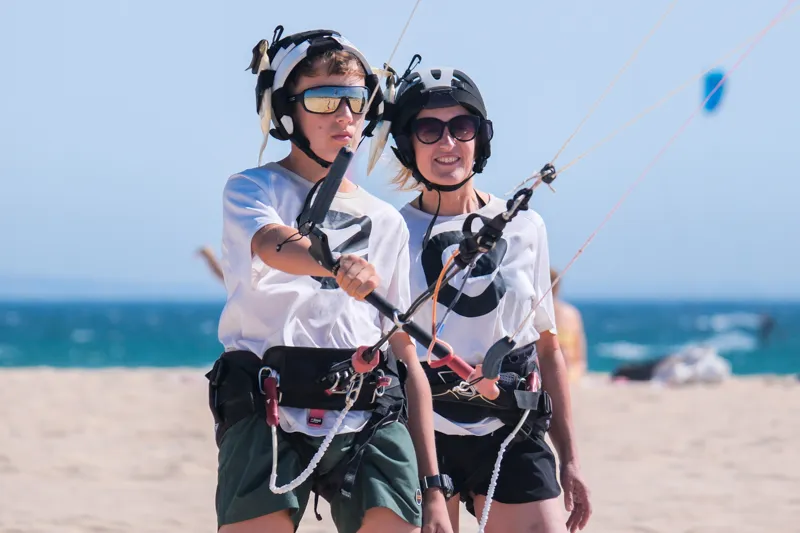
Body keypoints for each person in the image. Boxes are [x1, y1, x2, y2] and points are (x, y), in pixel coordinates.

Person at [206, 28, 451, 533]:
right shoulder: (253, 188)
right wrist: (336, 265)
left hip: (364, 407)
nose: (344, 116)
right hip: (266, 402)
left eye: (355, 101)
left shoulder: (385, 220)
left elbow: (405, 351)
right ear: (287, 110)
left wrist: (433, 490)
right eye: (323, 99)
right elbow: (274, 245)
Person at [384, 66, 592, 532]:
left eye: (462, 127)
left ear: (481, 138)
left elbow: (546, 344)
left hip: (512, 429)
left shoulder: (525, 226)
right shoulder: (388, 230)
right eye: (428, 129)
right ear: (406, 143)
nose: (447, 143)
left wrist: (570, 458)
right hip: (418, 435)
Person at [550, 268, 587, 383]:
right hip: (566, 373)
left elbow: (580, 355)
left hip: (569, 373)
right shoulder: (571, 313)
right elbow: (580, 354)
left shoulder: (571, 314)